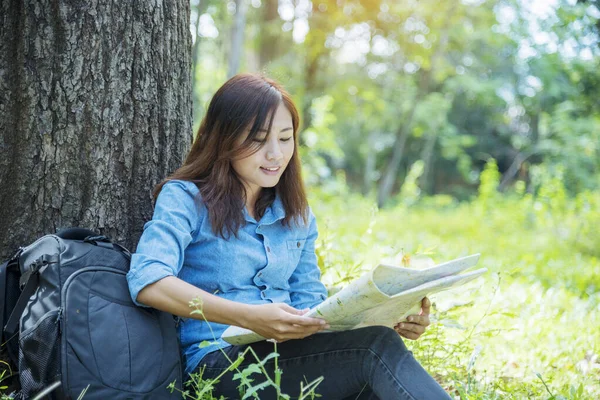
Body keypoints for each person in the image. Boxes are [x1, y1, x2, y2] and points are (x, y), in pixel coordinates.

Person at [127, 73, 451, 399]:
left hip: (291, 356)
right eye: (258, 139)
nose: (275, 154)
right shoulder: (185, 198)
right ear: (223, 138)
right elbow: (148, 280)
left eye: (285, 138)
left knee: (375, 363)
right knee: (374, 350)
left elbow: (312, 307)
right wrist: (248, 317)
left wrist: (385, 319)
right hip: (216, 365)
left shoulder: (297, 215)